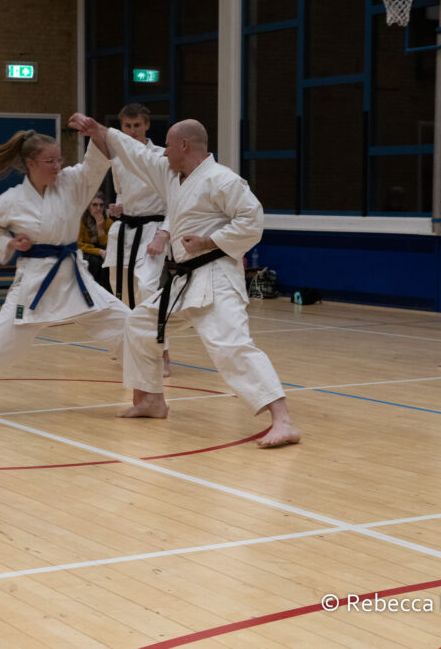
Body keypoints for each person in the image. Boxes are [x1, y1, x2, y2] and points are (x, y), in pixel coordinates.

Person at [70, 113, 300, 448]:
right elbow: (139, 155)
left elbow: (253, 221)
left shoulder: (223, 180)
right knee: (139, 325)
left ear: (184, 144)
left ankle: (283, 420)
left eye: (168, 147)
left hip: (216, 276)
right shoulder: (171, 174)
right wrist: (101, 132)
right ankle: (151, 400)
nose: (162, 153)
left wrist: (210, 241)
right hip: (182, 282)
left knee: (230, 346)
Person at [0, 129, 130, 402]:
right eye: (50, 161)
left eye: (59, 160)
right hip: (35, 282)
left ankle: (147, 394)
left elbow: (95, 165)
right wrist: (11, 244)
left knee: (129, 325)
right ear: (30, 164)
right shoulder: (11, 200)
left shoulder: (71, 183)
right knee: (1, 343)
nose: (57, 167)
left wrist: (94, 131)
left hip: (74, 278)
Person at [104, 103, 172, 377]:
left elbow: (175, 201)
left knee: (146, 288)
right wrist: (117, 206)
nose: (132, 131)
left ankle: (161, 352)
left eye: (137, 126)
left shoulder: (162, 157)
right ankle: (130, 346)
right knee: (119, 291)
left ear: (147, 126)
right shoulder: (118, 158)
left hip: (153, 229)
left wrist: (163, 234)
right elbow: (120, 192)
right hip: (125, 229)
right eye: (127, 127)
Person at [78, 195, 113, 291]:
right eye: (94, 205)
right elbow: (79, 245)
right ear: (88, 207)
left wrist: (100, 229)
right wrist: (98, 251)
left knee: (108, 263)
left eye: (101, 205)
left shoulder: (108, 222)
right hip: (85, 251)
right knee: (95, 262)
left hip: (102, 251)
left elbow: (109, 245)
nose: (98, 208)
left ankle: (108, 293)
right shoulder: (81, 221)